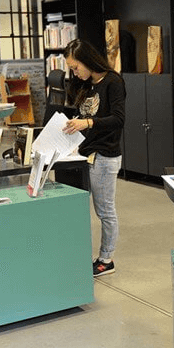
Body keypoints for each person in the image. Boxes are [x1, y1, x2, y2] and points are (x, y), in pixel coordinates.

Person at [61, 39, 126, 277]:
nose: (75, 73)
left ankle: (106, 259)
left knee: (105, 210)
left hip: (104, 156)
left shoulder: (113, 82)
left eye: (76, 67)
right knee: (80, 207)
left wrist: (87, 122)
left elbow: (119, 119)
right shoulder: (87, 85)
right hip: (83, 154)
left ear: (87, 61)